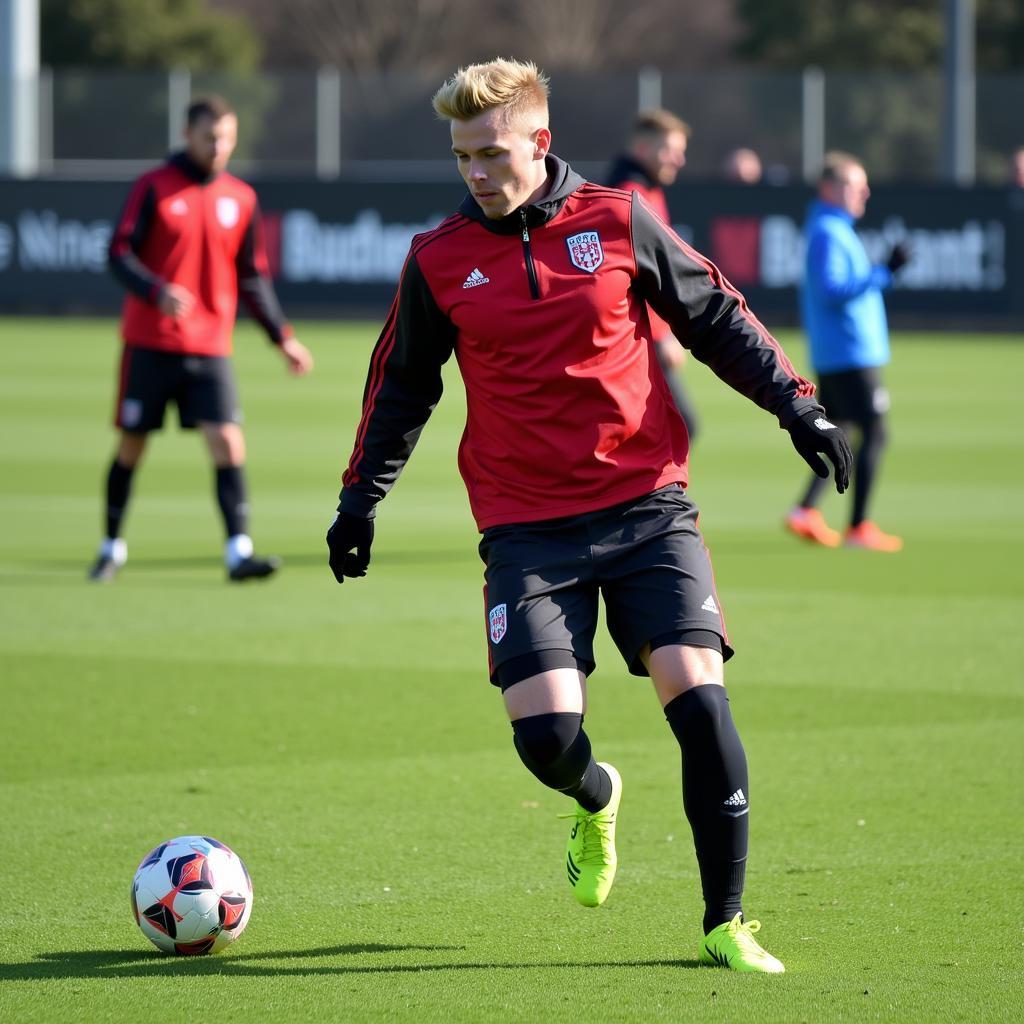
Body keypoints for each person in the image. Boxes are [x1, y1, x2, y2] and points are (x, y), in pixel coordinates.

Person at [327, 59, 852, 972]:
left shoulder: (617, 219)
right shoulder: (439, 258)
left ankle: (724, 922)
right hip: (527, 531)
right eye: (461, 158)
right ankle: (597, 796)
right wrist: (359, 500)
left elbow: (716, 317)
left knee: (699, 702)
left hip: (649, 507)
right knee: (548, 742)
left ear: (540, 141)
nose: (476, 173)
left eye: (491, 153)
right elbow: (403, 386)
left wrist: (796, 404)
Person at [89, 95, 313, 583]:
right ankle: (111, 546)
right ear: (187, 135)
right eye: (210, 137)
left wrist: (283, 340)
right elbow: (117, 252)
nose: (219, 146)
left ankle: (238, 552)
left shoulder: (242, 197)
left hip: (210, 346)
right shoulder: (154, 187)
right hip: (150, 342)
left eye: (227, 138)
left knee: (228, 445)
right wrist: (155, 290)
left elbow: (252, 278)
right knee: (132, 446)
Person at [785, 151, 907, 552]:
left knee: (840, 430)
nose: (864, 192)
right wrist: (883, 273)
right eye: (855, 185)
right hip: (849, 352)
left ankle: (805, 510)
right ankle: (859, 526)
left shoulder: (833, 227)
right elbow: (830, 288)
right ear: (829, 188)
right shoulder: (827, 232)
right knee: (875, 431)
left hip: (839, 351)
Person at [606, 109, 700, 440]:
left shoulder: (644, 190)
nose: (679, 159)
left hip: (639, 333)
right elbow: (638, 275)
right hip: (636, 333)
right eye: (671, 150)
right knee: (681, 427)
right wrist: (662, 337)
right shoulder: (631, 194)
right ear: (644, 149)